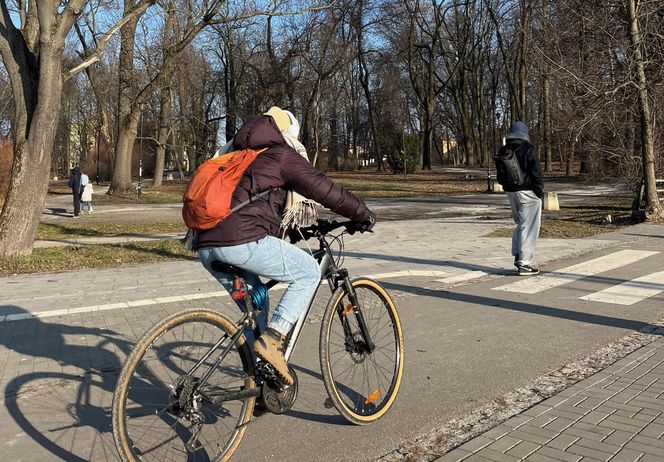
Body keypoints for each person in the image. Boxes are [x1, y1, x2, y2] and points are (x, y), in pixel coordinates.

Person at [195, 107, 375, 385]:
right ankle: (274, 339)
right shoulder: (281, 155)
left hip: (206, 245)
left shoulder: (236, 155)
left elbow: (255, 201)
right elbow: (322, 187)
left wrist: (286, 229)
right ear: (286, 134)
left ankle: (258, 386)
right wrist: (360, 212)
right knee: (308, 272)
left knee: (258, 306)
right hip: (240, 241)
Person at [499, 121, 544, 275]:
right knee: (529, 226)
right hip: (528, 191)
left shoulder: (504, 149)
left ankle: (518, 254)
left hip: (511, 191)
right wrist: (539, 191)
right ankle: (525, 263)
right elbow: (536, 172)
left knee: (520, 224)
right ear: (525, 133)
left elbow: (500, 175)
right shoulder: (528, 148)